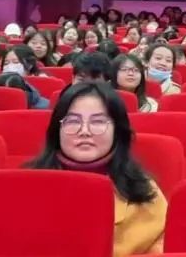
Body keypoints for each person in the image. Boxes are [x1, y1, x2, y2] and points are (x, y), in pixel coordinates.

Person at [26, 82, 166, 257]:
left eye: (98, 121)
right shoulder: (27, 187)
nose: (84, 131)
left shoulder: (144, 191)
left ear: (117, 131)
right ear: (57, 130)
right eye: (73, 121)